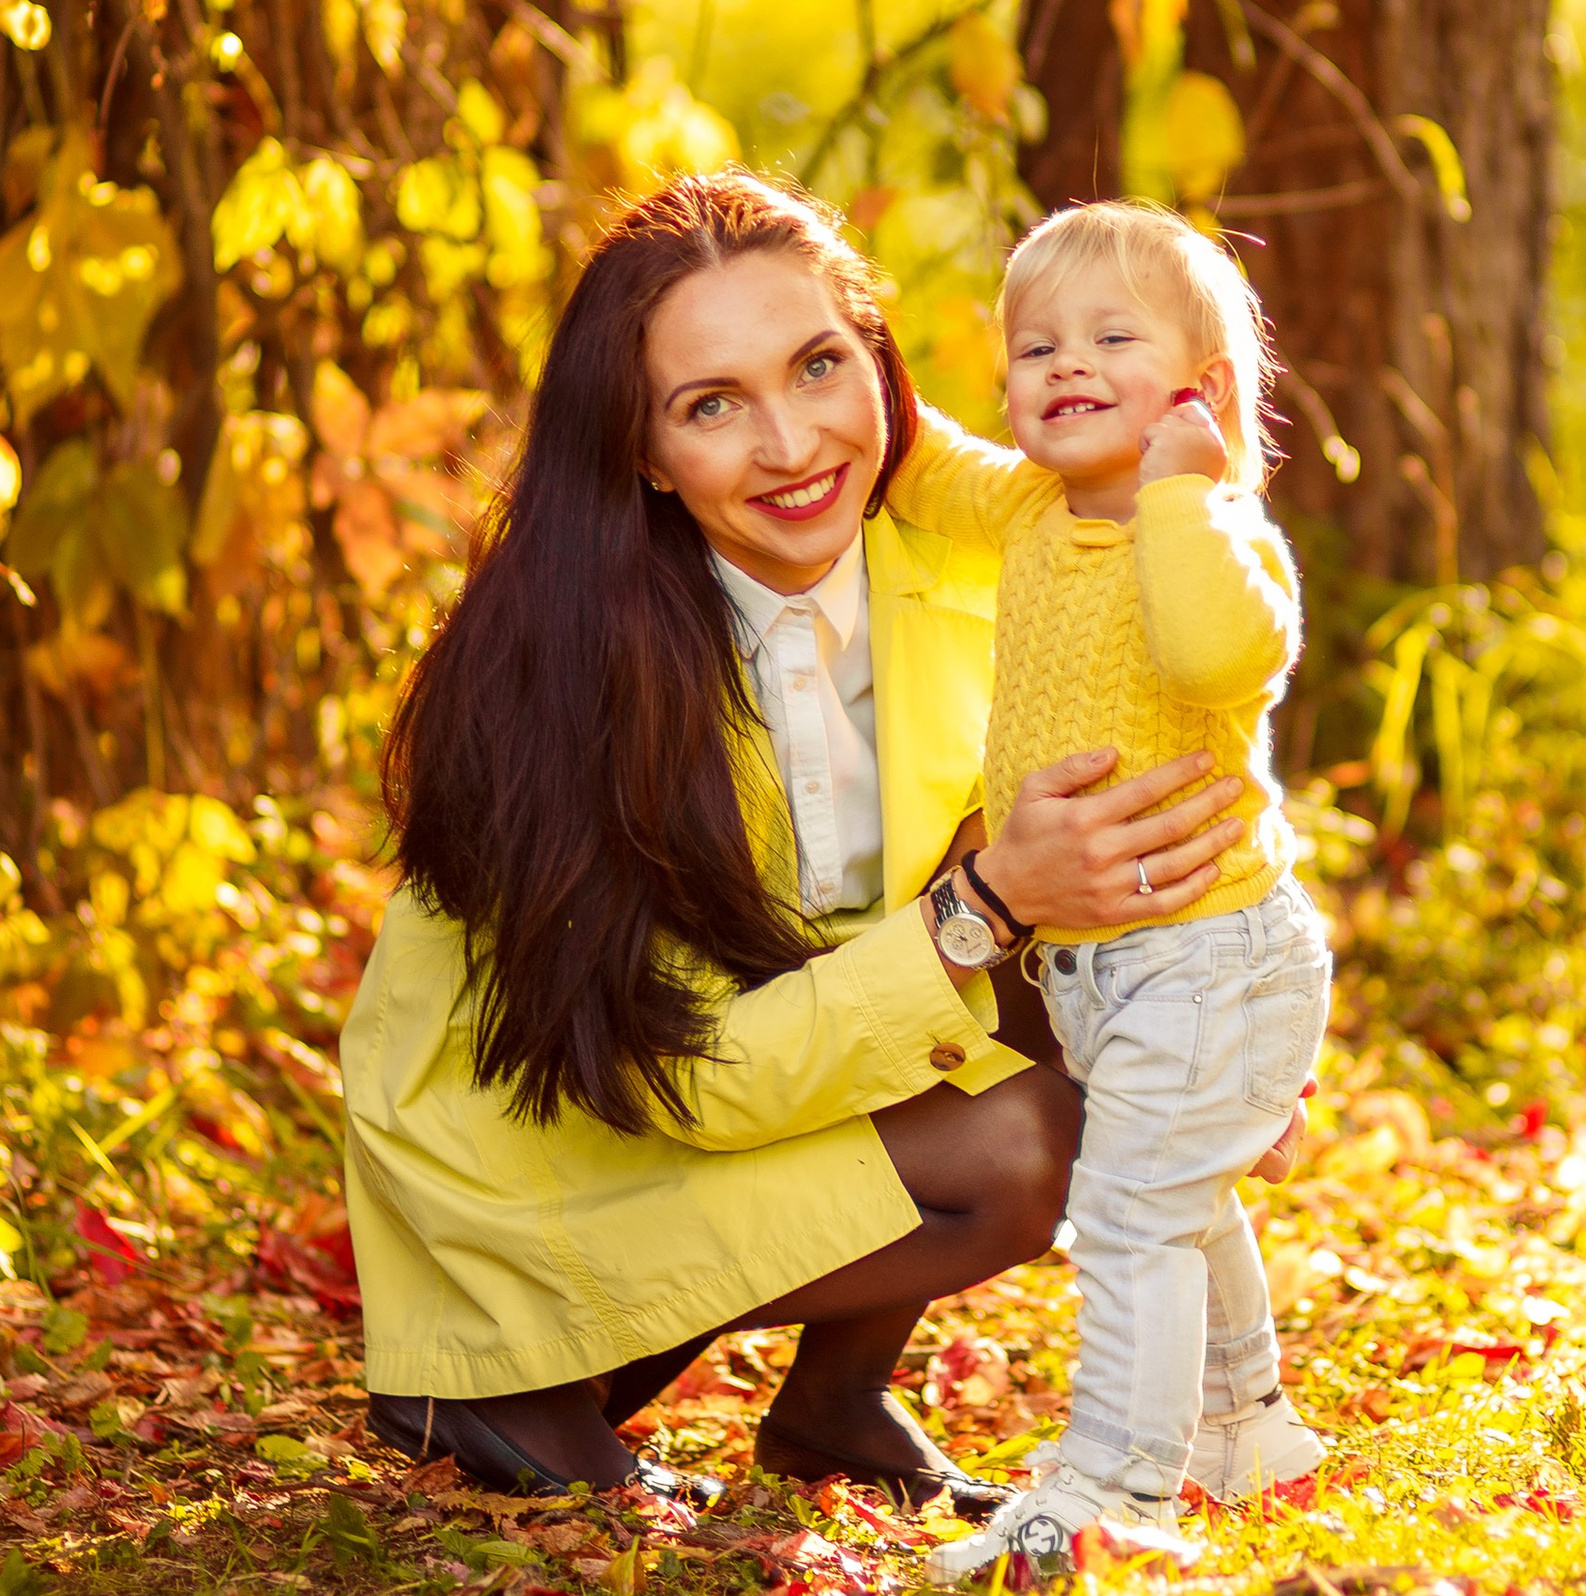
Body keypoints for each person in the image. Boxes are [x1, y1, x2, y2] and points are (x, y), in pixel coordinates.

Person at [340, 169, 1281, 1510]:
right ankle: (493, 1376)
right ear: (645, 451)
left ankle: (835, 1405)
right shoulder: (562, 663)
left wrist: (1230, 1022)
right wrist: (986, 905)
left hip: (780, 1043)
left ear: (882, 373)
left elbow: (1159, 787)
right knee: (1016, 1120)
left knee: (1050, 946)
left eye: (819, 366)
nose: (791, 445)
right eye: (712, 405)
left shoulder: (986, 561)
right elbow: (683, 1078)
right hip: (560, 1143)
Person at [878, 200, 1334, 1582]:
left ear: (1198, 390)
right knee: (1181, 1199)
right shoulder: (1024, 504)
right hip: (1106, 971)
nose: (1063, 364)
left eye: (1111, 338)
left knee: (1133, 1218)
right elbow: (916, 468)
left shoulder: (1222, 538)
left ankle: (1111, 1493)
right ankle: (1245, 1427)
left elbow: (1209, 658)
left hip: (1210, 962)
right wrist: (843, 344)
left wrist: (1186, 491)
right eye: (1033, 346)